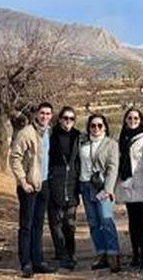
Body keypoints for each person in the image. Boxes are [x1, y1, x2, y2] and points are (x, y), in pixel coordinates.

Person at [10, 102, 56, 278]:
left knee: (38, 225)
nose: (45, 116)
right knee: (26, 226)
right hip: (28, 186)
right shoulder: (26, 133)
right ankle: (26, 263)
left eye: (48, 113)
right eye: (42, 113)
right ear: (36, 114)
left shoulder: (48, 132)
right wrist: (23, 181)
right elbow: (15, 158)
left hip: (43, 184)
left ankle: (38, 261)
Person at [81, 113, 123, 272]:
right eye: (93, 125)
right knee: (93, 222)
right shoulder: (83, 143)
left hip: (102, 187)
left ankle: (113, 253)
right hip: (85, 185)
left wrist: (108, 189)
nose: (96, 128)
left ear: (105, 127)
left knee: (106, 220)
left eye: (99, 125)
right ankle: (101, 252)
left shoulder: (111, 144)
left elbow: (113, 167)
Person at [46, 106, 84, 271]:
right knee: (55, 223)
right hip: (54, 182)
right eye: (65, 118)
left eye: (71, 118)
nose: (68, 121)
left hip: (72, 183)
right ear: (60, 119)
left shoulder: (79, 137)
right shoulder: (51, 137)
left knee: (69, 223)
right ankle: (61, 255)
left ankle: (71, 252)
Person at [117, 108, 143, 270]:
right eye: (130, 118)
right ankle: (135, 254)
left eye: (136, 118)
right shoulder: (122, 137)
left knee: (142, 221)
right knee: (132, 222)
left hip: (141, 182)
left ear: (141, 120)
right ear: (125, 120)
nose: (133, 121)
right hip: (128, 182)